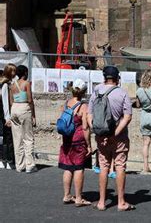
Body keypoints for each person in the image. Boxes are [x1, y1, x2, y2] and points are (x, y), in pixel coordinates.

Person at [88, 65, 135, 211]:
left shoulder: (96, 92)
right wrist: (114, 133)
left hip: (101, 136)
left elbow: (90, 115)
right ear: (117, 79)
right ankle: (121, 202)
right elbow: (127, 117)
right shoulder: (122, 93)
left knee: (103, 166)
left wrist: (98, 132)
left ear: (104, 77)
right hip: (119, 136)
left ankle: (102, 202)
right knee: (120, 166)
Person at [59, 79, 92, 207]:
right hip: (78, 141)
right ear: (84, 92)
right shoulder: (83, 106)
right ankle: (78, 198)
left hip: (67, 139)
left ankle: (67, 195)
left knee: (68, 168)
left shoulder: (66, 103)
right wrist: (89, 144)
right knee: (78, 168)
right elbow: (85, 127)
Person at [9, 65, 37, 173]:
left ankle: (19, 165)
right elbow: (30, 99)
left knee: (17, 139)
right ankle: (29, 164)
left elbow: (11, 101)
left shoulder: (12, 85)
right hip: (24, 108)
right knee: (28, 137)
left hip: (14, 108)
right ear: (25, 73)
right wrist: (33, 115)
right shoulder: (26, 84)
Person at [0, 64, 16, 170]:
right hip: (4, 116)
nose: (15, 73)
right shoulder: (5, 84)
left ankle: (4, 160)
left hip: (3, 115)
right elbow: (5, 102)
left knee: (5, 139)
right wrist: (7, 118)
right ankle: (6, 160)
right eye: (13, 71)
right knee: (7, 139)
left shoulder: (5, 83)